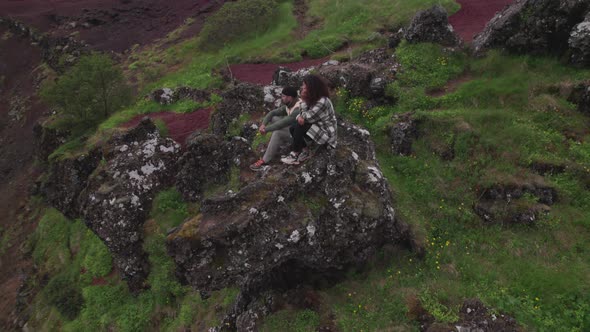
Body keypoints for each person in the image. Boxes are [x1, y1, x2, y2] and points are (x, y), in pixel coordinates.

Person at [281, 75, 337, 165]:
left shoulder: (323, 101)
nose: (302, 87)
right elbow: (301, 116)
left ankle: (295, 154)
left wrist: (302, 100)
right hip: (318, 129)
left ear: (311, 87)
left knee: (299, 126)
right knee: (293, 127)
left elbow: (308, 118)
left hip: (327, 135)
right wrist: (300, 115)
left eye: (304, 85)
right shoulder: (313, 98)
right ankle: (305, 151)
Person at [250, 86, 302, 171]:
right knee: (274, 118)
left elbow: (281, 124)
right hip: (293, 129)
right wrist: (263, 124)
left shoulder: (298, 108)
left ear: (290, 98)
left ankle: (264, 161)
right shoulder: (290, 103)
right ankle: (279, 141)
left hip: (300, 138)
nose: (282, 98)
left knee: (277, 132)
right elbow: (272, 113)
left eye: (283, 96)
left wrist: (266, 130)